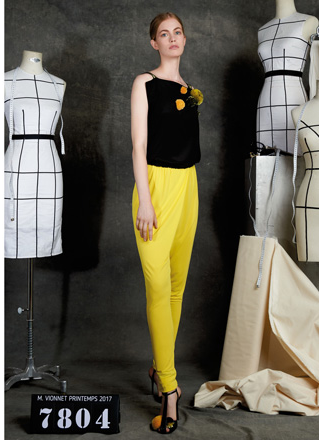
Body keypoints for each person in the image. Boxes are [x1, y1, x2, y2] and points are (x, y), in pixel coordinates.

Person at [130, 11, 202, 435]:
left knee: (175, 288)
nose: (172, 38)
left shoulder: (190, 92)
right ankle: (170, 390)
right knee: (158, 287)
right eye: (164, 33)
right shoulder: (145, 82)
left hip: (188, 186)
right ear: (154, 43)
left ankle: (160, 366)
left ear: (184, 40)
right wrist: (145, 201)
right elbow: (139, 146)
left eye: (177, 32)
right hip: (155, 187)